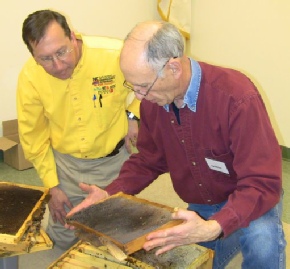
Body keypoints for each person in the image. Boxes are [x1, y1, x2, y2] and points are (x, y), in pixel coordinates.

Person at [67, 21, 286, 268]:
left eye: (143, 86)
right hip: (203, 200)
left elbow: (261, 182)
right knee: (183, 257)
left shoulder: (236, 98)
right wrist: (109, 193)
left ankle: (231, 230)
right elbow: (149, 160)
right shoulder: (152, 102)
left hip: (252, 194)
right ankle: (228, 232)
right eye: (133, 86)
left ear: (173, 68)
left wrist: (215, 226)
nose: (138, 97)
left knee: (261, 240)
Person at [16, 9, 140, 249]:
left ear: (73, 37)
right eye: (45, 58)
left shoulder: (114, 55)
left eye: (61, 52)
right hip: (66, 167)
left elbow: (152, 81)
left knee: (119, 237)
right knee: (63, 238)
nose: (58, 65)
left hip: (114, 162)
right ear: (33, 56)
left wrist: (133, 114)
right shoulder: (30, 77)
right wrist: (52, 186)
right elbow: (33, 136)